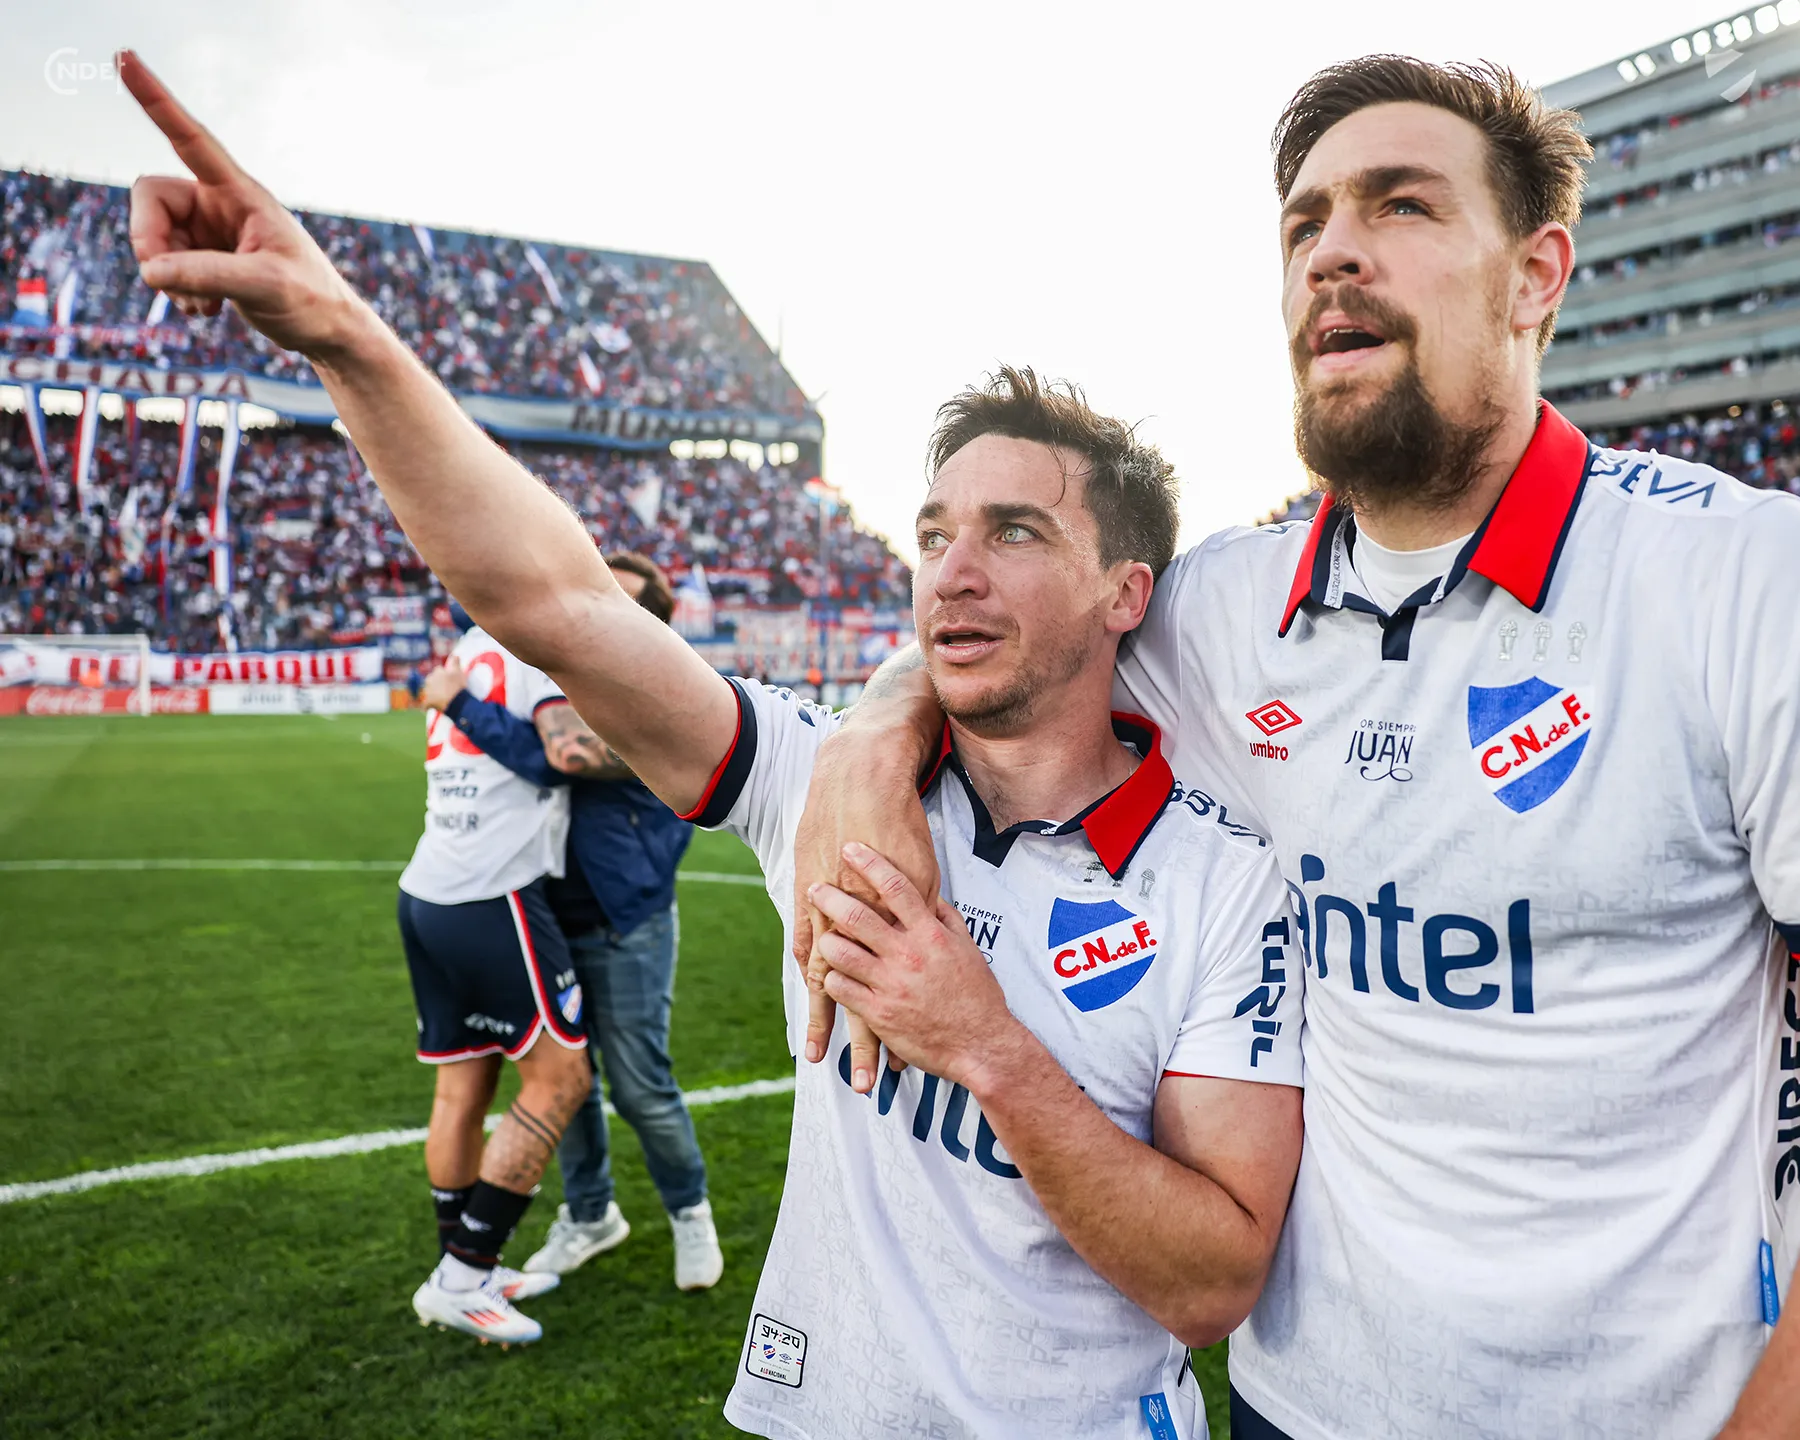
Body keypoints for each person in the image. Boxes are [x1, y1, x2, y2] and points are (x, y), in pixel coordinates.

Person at [113, 65, 1305, 1432]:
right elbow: (554, 601)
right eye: (933, 533)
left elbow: (1213, 1282)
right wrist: (343, 336)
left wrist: (984, 1043)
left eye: (1015, 532)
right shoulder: (821, 777)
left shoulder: (1223, 880)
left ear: (1126, 592)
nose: (953, 572)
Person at [785, 57, 1800, 1440]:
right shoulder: (1221, 610)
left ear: (1536, 276)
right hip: (1299, 1405)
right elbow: (1012, 643)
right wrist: (870, 740)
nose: (1332, 251)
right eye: (1304, 223)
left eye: (1402, 205)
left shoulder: (1737, 582)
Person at [435, 551, 724, 1293]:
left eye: (622, 603)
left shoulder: (666, 698)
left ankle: (690, 1212)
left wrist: (463, 705)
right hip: (545, 919)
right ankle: (591, 1213)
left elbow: (563, 758)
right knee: (565, 1081)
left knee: (640, 1086)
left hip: (627, 921)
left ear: (654, 625)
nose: (597, 613)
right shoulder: (554, 680)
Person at [400, 615, 589, 1347]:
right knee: (561, 1079)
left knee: (461, 1089)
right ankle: (464, 1274)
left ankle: (462, 1268)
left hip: (428, 890)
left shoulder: (465, 650)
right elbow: (562, 757)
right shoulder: (527, 647)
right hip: (493, 894)